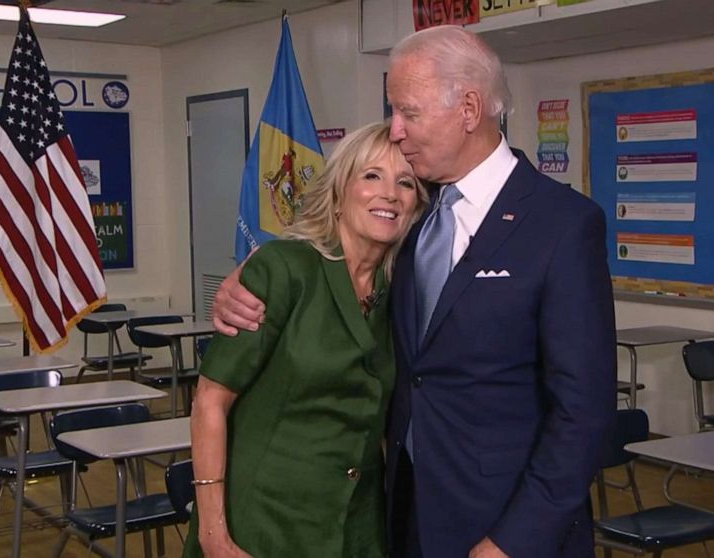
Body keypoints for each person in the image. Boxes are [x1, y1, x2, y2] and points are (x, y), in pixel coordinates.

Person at [212, 26, 616, 558]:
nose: (396, 131)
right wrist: (249, 270)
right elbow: (338, 259)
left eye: (409, 112)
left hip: (507, 524)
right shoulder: (416, 219)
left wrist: (513, 540)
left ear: (468, 109)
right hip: (404, 516)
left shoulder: (562, 224)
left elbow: (583, 414)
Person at [185, 121, 427, 558]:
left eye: (405, 182)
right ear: (338, 192)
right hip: (264, 522)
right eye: (371, 176)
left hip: (357, 527)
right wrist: (212, 532)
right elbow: (208, 400)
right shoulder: (283, 269)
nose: (390, 193)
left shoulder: (403, 292)